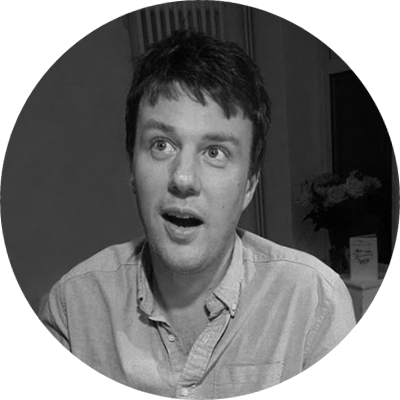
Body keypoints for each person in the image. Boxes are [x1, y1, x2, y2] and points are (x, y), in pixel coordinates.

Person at [40, 29, 363, 399]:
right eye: (161, 145)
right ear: (132, 169)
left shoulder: (314, 303)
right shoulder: (72, 307)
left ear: (249, 185)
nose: (183, 178)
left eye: (215, 152)